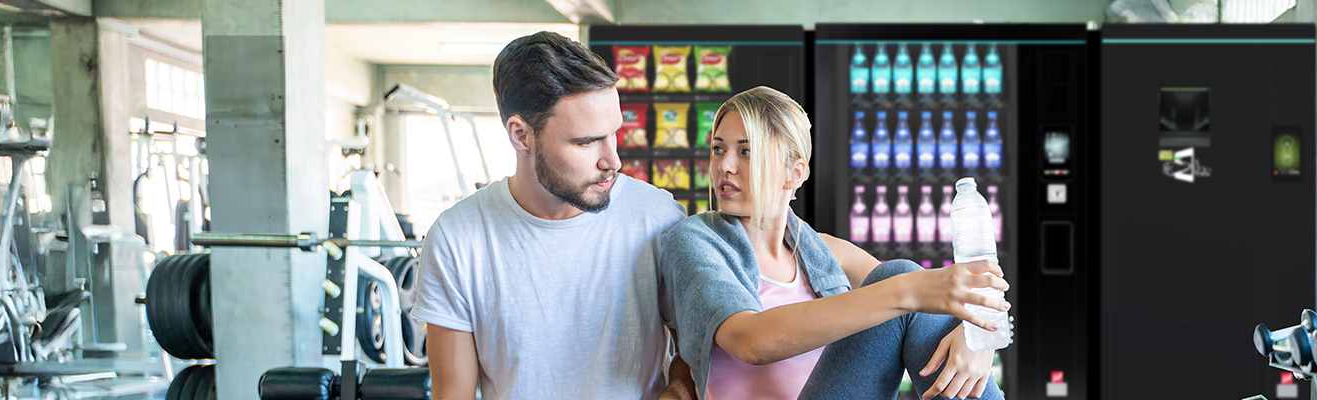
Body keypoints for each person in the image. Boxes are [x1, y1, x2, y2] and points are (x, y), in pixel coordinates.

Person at [657, 86, 1011, 400]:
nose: (725, 166)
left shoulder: (824, 251)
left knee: (901, 276)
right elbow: (750, 342)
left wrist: (977, 338)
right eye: (719, 149)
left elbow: (927, 305)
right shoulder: (695, 241)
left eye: (746, 152)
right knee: (902, 278)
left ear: (794, 174)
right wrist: (909, 291)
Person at [411, 31, 696, 399]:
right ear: (521, 135)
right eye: (586, 141)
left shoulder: (658, 218)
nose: (613, 161)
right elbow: (454, 394)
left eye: (613, 134)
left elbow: (696, 349)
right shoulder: (456, 239)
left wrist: (679, 387)